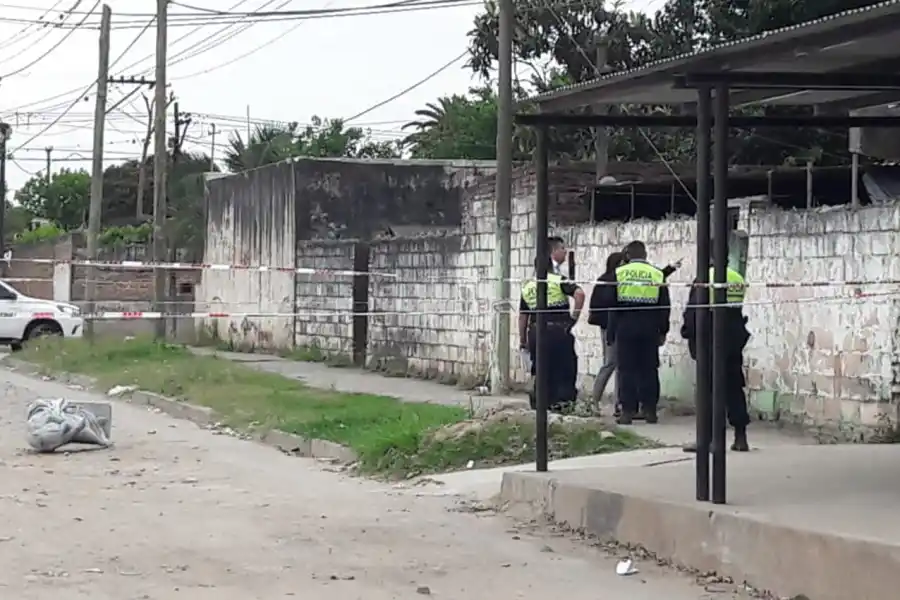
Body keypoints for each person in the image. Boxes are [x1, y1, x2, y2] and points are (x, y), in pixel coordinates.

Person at [680, 261, 751, 452]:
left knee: (708, 389)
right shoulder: (737, 277)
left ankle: (709, 439)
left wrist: (688, 331)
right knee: (734, 386)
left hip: (709, 336)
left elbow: (695, 309)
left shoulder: (704, 278)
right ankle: (740, 436)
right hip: (733, 335)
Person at [609, 240, 670, 425]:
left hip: (625, 326)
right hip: (650, 327)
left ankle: (627, 411)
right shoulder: (657, 274)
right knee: (649, 369)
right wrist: (663, 330)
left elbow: (611, 305)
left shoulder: (618, 273)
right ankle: (650, 410)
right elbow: (664, 305)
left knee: (626, 369)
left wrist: (611, 332)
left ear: (627, 255)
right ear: (645, 255)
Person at [519, 254, 586, 413]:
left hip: (536, 332)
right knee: (564, 368)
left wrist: (523, 340)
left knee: (541, 369)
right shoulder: (559, 280)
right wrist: (573, 318)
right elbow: (580, 294)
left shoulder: (528, 286)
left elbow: (523, 316)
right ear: (551, 266)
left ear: (535, 267)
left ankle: (542, 405)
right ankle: (563, 405)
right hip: (559, 332)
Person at [588, 251, 625, 414]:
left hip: (615, 325)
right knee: (610, 362)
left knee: (618, 364)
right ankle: (593, 401)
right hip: (610, 326)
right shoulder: (609, 280)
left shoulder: (606, 279)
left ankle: (619, 403)